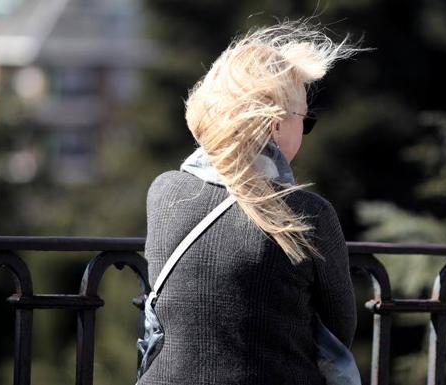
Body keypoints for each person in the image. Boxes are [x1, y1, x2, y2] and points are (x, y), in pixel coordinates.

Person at [142, 20, 360, 384]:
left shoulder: (163, 192)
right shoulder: (308, 213)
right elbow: (338, 330)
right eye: (305, 121)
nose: (304, 132)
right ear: (275, 125)